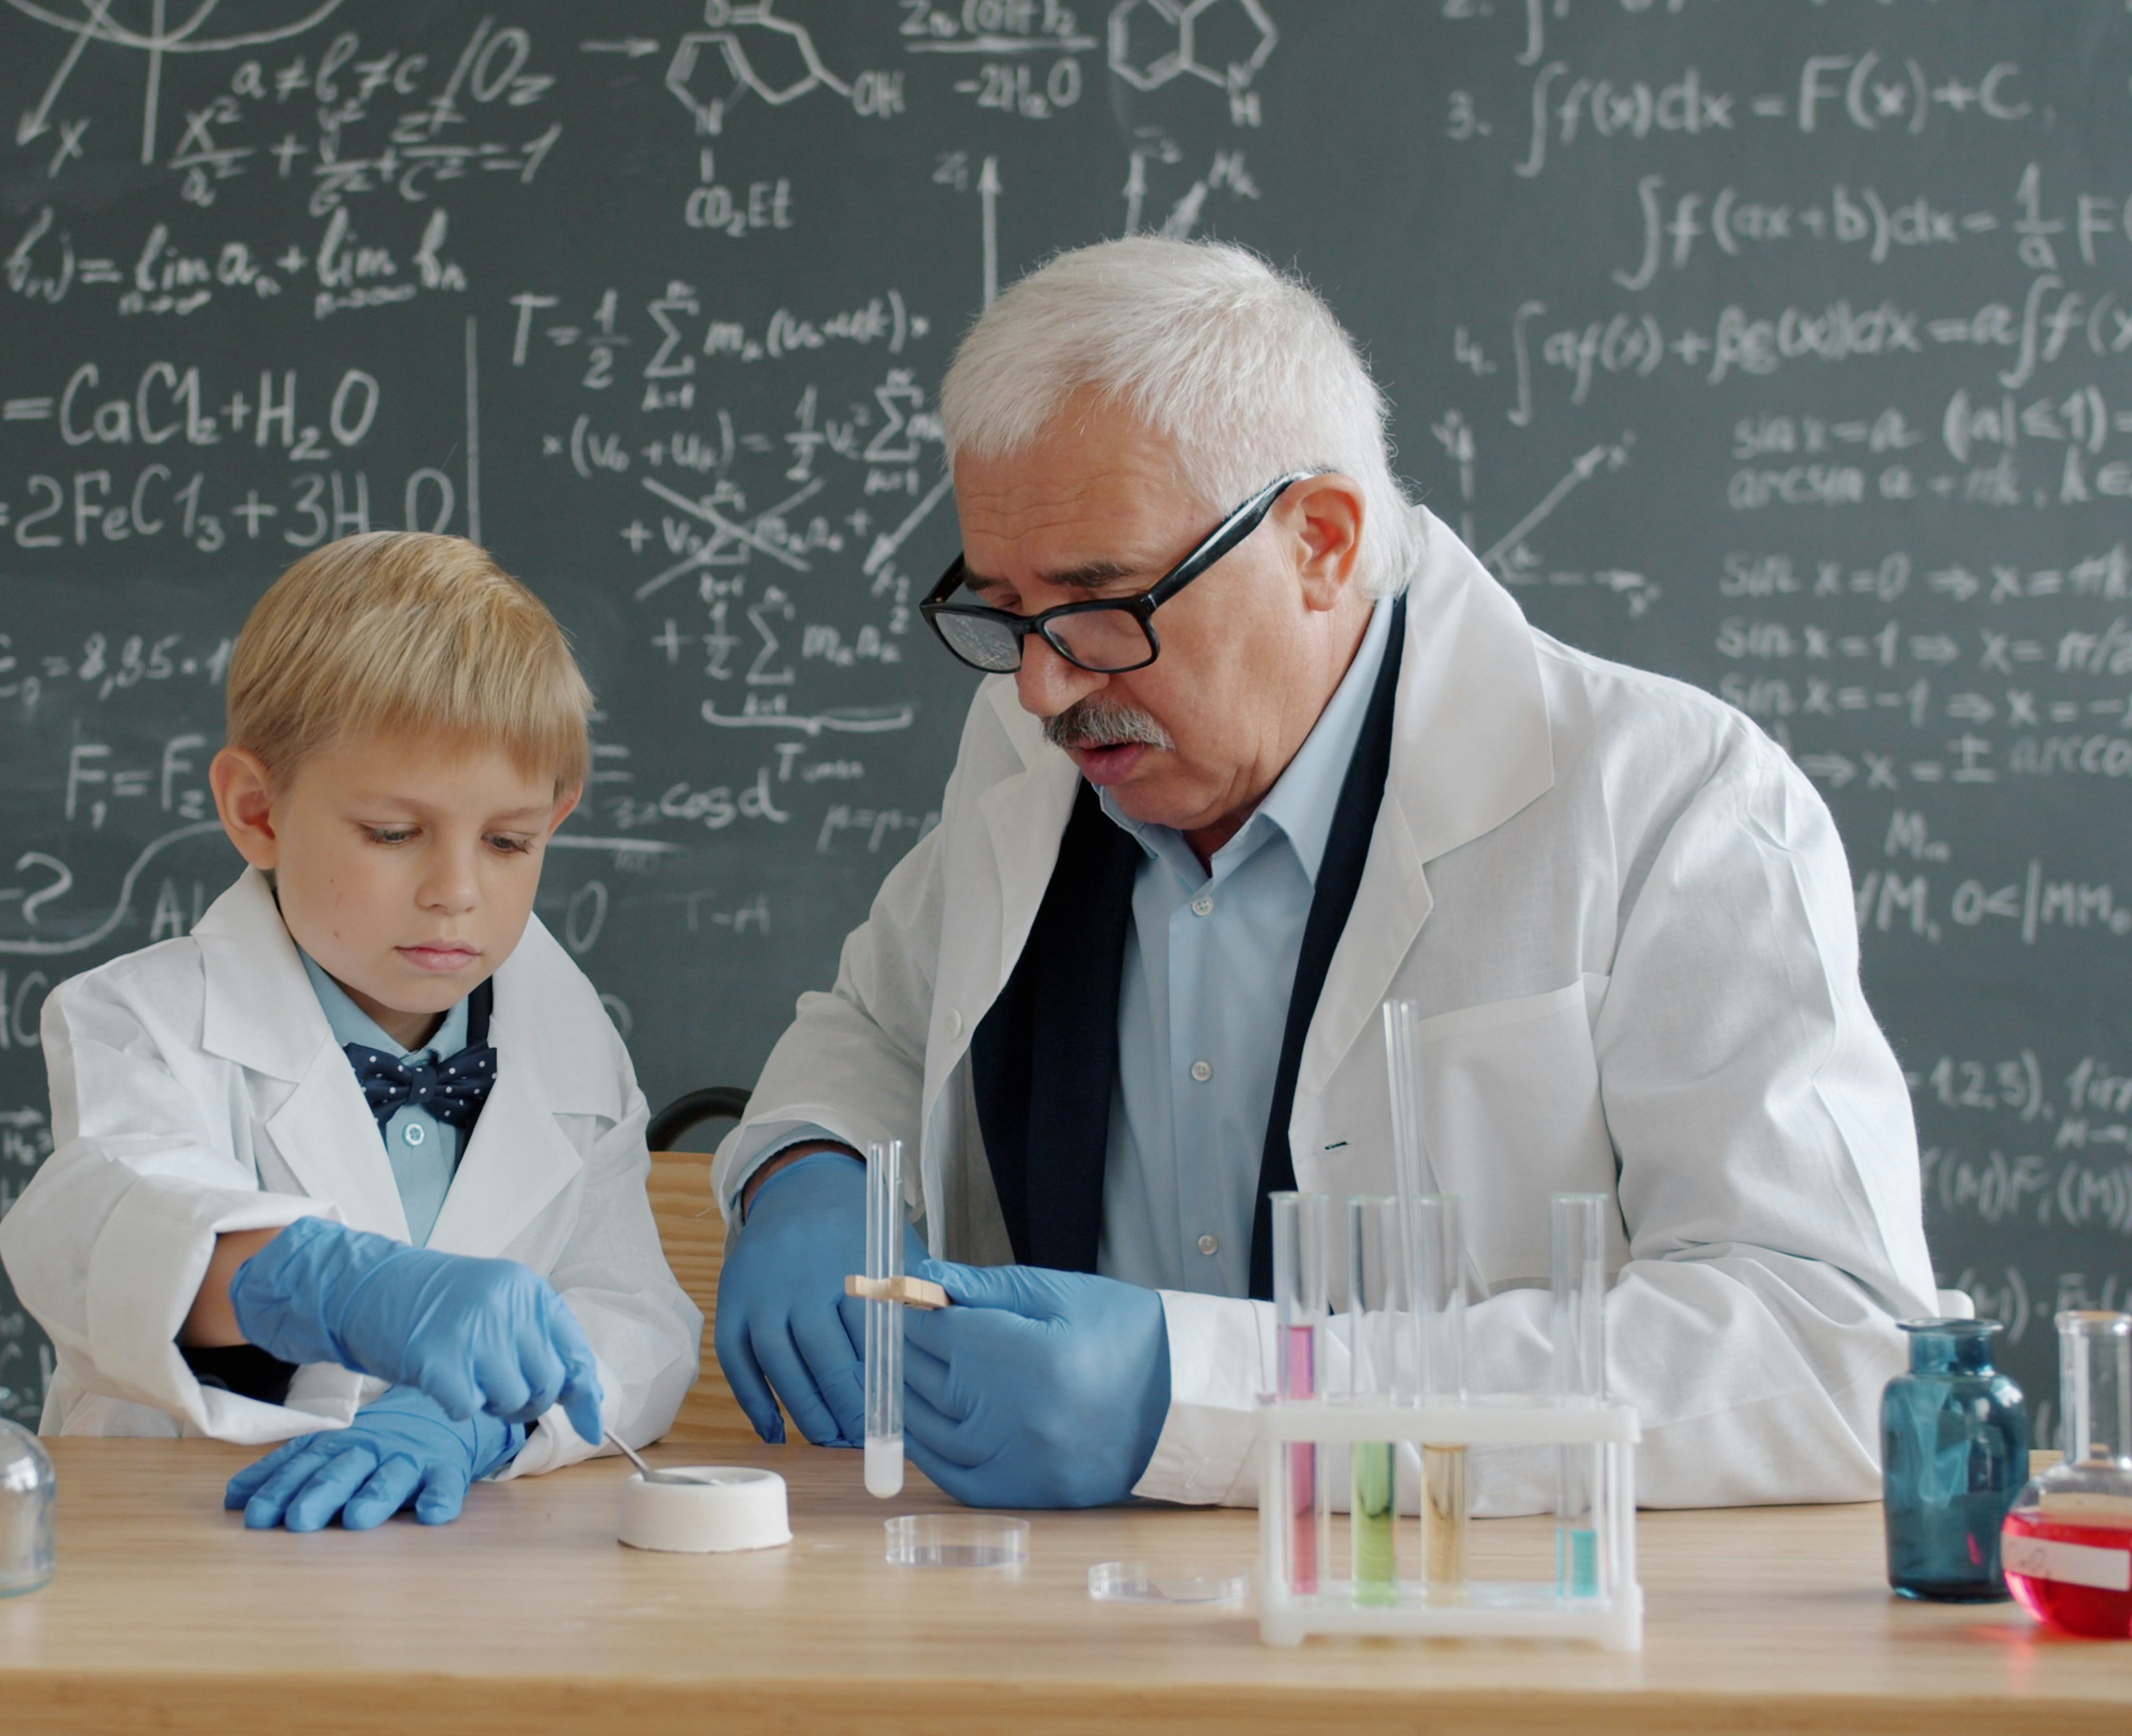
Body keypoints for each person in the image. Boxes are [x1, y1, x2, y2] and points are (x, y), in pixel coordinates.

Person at [712, 237, 1933, 1513]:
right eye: (1005, 610)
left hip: (1474, 1635)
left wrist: (1194, 1397)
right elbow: (884, 1026)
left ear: (1322, 542)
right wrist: (811, 1166)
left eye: (1103, 601)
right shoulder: (1033, 755)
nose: (1042, 684)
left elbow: (1829, 1347)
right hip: (1073, 1618)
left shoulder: (1670, 802)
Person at [0, 532, 699, 1532]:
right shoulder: (143, 1020)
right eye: (392, 833)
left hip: (470, 1571)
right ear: (258, 811)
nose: (457, 891)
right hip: (181, 1552)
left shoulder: (570, 1044)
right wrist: (326, 1286)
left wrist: (484, 1422)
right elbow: (99, 1232)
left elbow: (639, 1324)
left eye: (509, 841)